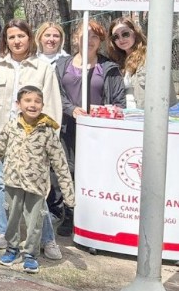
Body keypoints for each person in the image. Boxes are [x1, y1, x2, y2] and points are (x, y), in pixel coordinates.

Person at [0, 19, 63, 258]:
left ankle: (48, 240)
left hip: (33, 140)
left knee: (36, 190)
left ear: (29, 38)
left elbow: (52, 104)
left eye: (21, 36)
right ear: (6, 40)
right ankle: (5, 233)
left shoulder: (43, 67)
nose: (16, 41)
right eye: (11, 37)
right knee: (2, 187)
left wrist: (48, 138)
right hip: (1, 138)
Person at [0, 86, 75, 274]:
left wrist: (69, 194)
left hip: (36, 186)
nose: (32, 105)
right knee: (12, 218)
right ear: (18, 104)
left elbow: (61, 164)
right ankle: (12, 249)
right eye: (28, 101)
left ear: (42, 105)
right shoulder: (11, 126)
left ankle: (30, 255)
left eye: (37, 101)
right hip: (12, 182)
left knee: (35, 222)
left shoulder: (48, 132)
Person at [52, 21, 125, 237]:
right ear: (76, 38)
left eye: (95, 37)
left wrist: (100, 114)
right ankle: (70, 215)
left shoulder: (109, 68)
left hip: (97, 132)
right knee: (68, 172)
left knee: (93, 174)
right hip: (68, 128)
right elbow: (56, 94)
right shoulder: (62, 65)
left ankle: (92, 219)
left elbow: (119, 101)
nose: (89, 40)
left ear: (100, 41)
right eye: (85, 35)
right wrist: (71, 109)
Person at [107, 17, 178, 110]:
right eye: (116, 37)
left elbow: (164, 91)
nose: (121, 39)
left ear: (135, 34)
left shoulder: (152, 56)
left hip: (148, 115)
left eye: (125, 34)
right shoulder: (115, 62)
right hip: (124, 116)